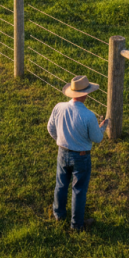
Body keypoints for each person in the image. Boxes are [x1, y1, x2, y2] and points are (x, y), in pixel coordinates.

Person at [47, 75, 109, 232]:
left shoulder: (58, 107)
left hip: (62, 152)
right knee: (79, 189)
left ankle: (58, 214)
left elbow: (50, 128)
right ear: (85, 94)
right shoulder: (88, 116)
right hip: (81, 157)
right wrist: (102, 127)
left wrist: (60, 140)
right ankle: (76, 224)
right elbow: (97, 138)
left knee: (61, 185)